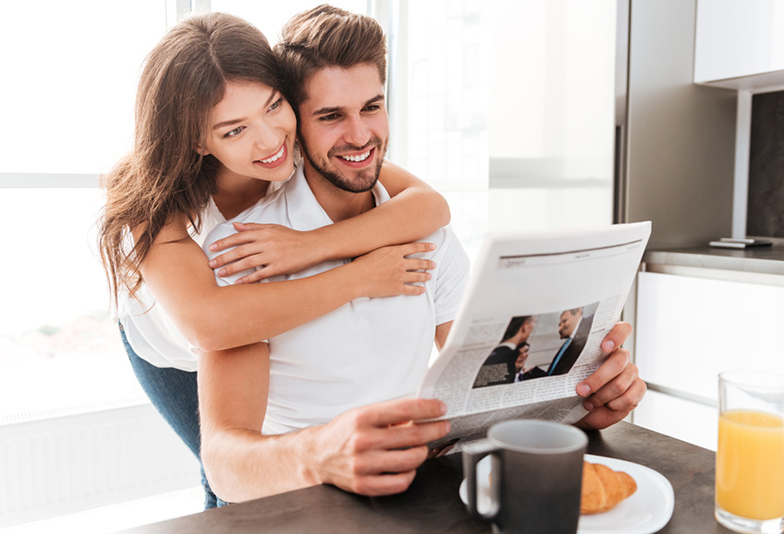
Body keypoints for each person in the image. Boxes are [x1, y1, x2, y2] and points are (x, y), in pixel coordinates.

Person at [197, 4, 645, 504]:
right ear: (293, 126)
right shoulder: (246, 248)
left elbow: (489, 392)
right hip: (301, 502)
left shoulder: (425, 231)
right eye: (330, 116)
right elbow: (225, 465)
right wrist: (321, 453)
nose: (361, 135)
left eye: (372, 106)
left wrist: (581, 408)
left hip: (413, 493)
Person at [97, 12, 453, 509]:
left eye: (274, 106)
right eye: (235, 130)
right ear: (198, 140)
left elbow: (431, 207)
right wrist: (360, 277)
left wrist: (310, 247)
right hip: (172, 345)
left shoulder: (299, 151)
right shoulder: (154, 206)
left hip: (239, 314)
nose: (269, 140)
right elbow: (213, 326)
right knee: (225, 472)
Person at [472, 316, 535, 387]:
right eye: (518, 353)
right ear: (525, 327)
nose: (522, 355)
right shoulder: (500, 358)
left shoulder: (530, 374)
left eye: (526, 351)